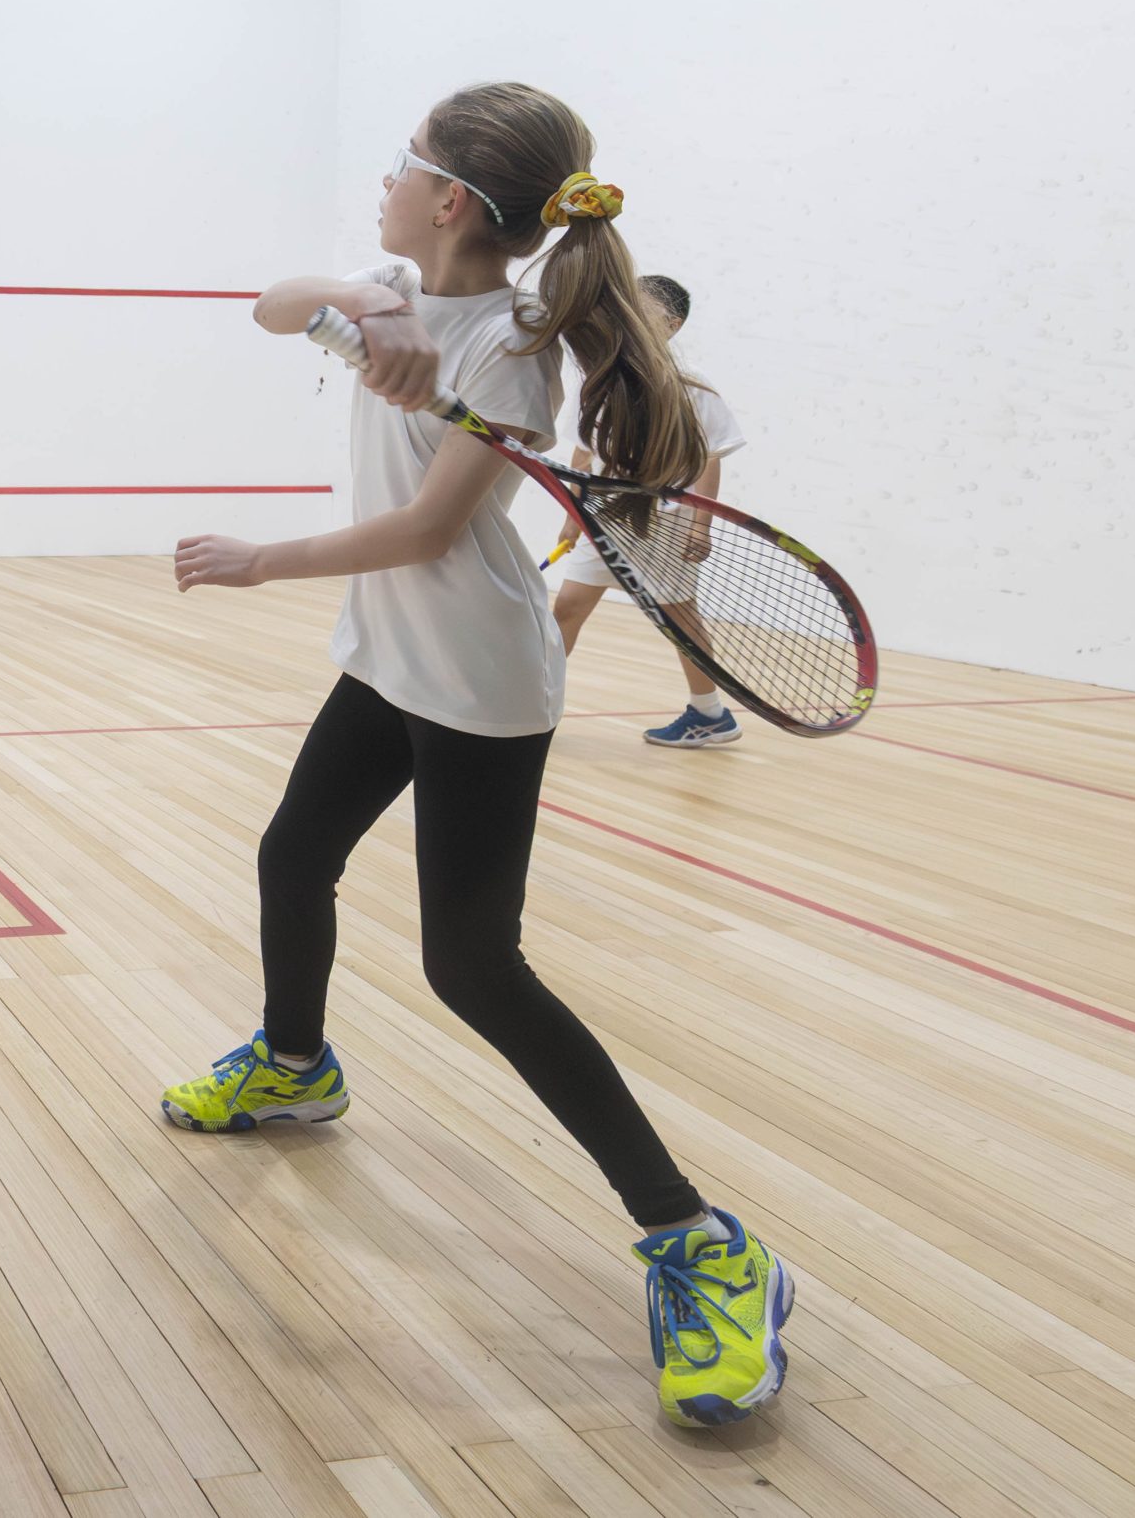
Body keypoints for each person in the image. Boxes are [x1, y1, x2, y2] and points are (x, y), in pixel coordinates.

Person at [165, 83, 794, 1428]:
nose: (383, 183)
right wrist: (363, 304)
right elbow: (273, 304)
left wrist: (260, 560)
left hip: (477, 683)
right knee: (293, 857)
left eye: (401, 165)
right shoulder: (400, 287)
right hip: (387, 657)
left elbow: (428, 532)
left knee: (472, 965)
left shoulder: (510, 353)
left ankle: (702, 1241)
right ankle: (294, 1064)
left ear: (450, 198)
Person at [549, 274, 751, 746]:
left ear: (672, 325)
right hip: (604, 517)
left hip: (665, 523)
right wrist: (572, 519)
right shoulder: (600, 378)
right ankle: (535, 706)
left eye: (641, 307)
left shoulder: (691, 386)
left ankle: (711, 714)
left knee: (679, 617)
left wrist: (700, 527)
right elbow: (583, 455)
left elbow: (709, 459)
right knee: (568, 608)